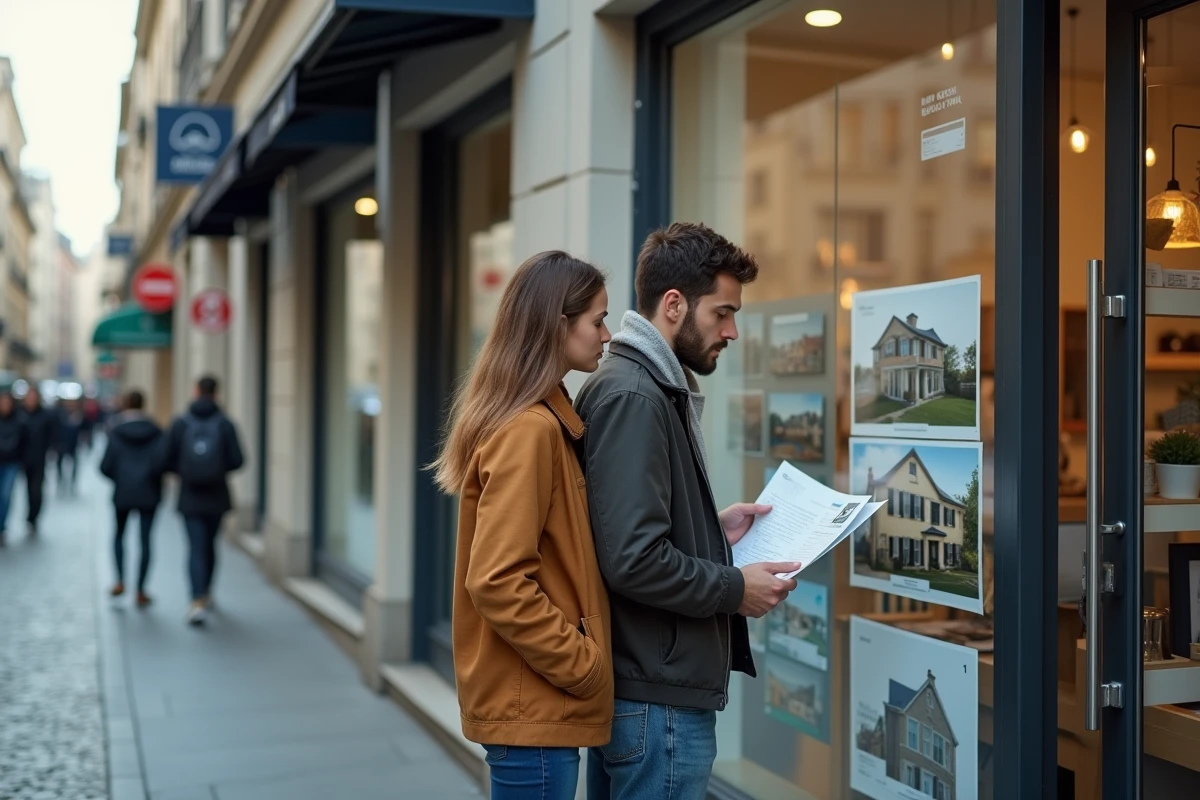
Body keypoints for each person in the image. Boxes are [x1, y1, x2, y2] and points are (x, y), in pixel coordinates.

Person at [575, 222, 800, 799]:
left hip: (651, 690)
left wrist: (710, 529)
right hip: (657, 703)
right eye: (722, 313)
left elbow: (628, 530)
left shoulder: (647, 386)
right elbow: (632, 559)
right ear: (674, 305)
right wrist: (734, 587)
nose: (732, 331)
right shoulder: (635, 394)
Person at [431, 251, 614, 800]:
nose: (607, 334)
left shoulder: (542, 419)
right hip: (533, 708)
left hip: (532, 704)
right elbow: (497, 580)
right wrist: (583, 667)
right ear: (559, 323)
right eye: (597, 320)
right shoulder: (530, 429)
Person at [161, 376, 244, 626]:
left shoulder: (181, 423)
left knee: (195, 547)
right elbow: (238, 460)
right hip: (217, 495)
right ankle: (206, 592)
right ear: (216, 393)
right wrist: (215, 469)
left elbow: (166, 459)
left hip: (190, 495)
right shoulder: (225, 423)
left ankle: (196, 600)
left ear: (195, 392)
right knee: (209, 545)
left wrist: (187, 471)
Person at [100, 390, 165, 608]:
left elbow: (105, 465)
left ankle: (119, 580)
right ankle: (140, 589)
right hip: (149, 492)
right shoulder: (156, 431)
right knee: (145, 540)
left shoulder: (116, 431)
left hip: (123, 492)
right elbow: (162, 461)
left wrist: (121, 478)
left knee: (119, 535)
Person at [20, 385, 57, 536]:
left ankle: (33, 516)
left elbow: (52, 435)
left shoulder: (45, 415)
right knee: (25, 489)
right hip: (20, 458)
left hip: (38, 458)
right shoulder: (20, 414)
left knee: (36, 490)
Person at [0, 391, 28, 547]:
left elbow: (24, 442)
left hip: (11, 462)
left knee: (5, 495)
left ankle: (2, 526)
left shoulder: (19, 421)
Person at [55, 399, 83, 495]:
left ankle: (72, 483)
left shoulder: (78, 415)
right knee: (59, 464)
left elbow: (83, 429)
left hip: (73, 445)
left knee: (75, 464)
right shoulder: (60, 415)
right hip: (62, 444)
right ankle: (60, 481)